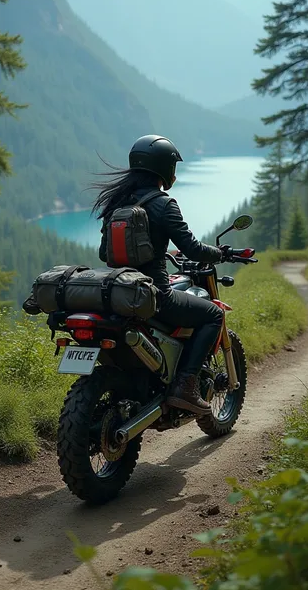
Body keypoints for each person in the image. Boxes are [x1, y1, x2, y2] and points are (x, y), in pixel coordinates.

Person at [92, 135, 226, 416]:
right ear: (165, 169)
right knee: (214, 315)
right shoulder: (164, 204)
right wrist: (219, 253)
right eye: (173, 168)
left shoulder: (117, 203)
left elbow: (106, 255)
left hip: (120, 293)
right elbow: (192, 247)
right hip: (157, 297)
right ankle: (185, 385)